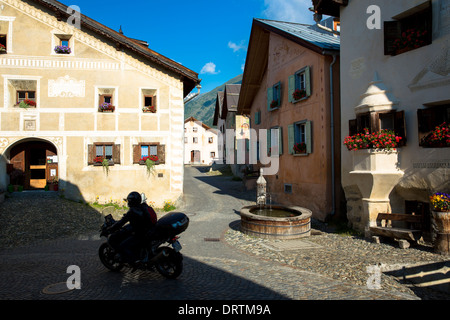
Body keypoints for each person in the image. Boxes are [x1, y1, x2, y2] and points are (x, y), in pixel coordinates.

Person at [108, 191, 154, 268]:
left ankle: (135, 261)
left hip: (140, 234)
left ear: (131, 201)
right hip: (148, 230)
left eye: (129, 200)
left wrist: (111, 228)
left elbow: (121, 222)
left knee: (123, 246)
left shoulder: (132, 211)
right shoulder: (144, 206)